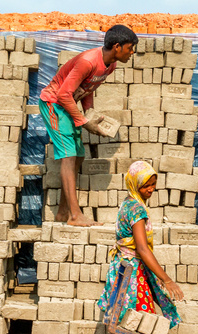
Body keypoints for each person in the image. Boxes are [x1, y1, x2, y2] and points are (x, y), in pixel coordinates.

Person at [97, 160, 184, 334]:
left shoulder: (128, 204)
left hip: (125, 278)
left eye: (154, 184)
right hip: (133, 281)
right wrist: (167, 280)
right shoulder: (137, 209)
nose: (152, 189)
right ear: (136, 183)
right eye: (147, 184)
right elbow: (144, 250)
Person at [39, 24, 137, 226]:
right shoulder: (87, 61)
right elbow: (63, 94)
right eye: (130, 47)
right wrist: (83, 121)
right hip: (53, 103)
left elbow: (88, 87)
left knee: (79, 156)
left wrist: (90, 115)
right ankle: (76, 216)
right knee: (68, 155)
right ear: (117, 47)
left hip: (66, 105)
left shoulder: (110, 65)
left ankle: (63, 213)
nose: (132, 52)